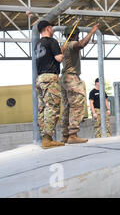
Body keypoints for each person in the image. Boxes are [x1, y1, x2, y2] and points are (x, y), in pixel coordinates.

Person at [60, 23, 99, 144]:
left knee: (67, 107)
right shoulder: (71, 44)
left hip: (64, 78)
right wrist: (92, 32)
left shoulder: (64, 46)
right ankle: (73, 135)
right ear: (76, 35)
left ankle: (65, 135)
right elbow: (81, 44)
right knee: (77, 106)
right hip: (72, 78)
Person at [34, 20, 65, 149]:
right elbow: (59, 58)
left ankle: (44, 137)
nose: (52, 30)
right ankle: (47, 139)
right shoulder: (52, 41)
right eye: (51, 27)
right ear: (48, 28)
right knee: (52, 107)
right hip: (50, 78)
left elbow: (48, 57)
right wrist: (61, 52)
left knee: (42, 108)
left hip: (40, 79)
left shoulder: (38, 44)